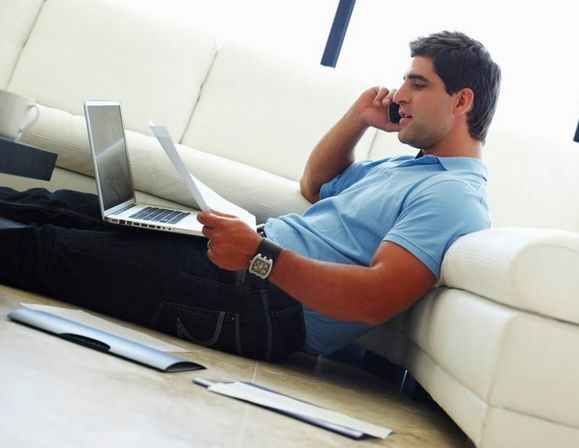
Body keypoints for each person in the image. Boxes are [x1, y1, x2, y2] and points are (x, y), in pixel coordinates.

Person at [0, 31, 501, 361]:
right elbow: (315, 184)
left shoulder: (453, 196)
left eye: (417, 84)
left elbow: (374, 300)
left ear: (461, 100)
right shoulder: (406, 167)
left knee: (50, 248)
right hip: (250, 265)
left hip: (264, 308)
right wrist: (357, 119)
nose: (399, 95)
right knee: (57, 207)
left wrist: (259, 256)